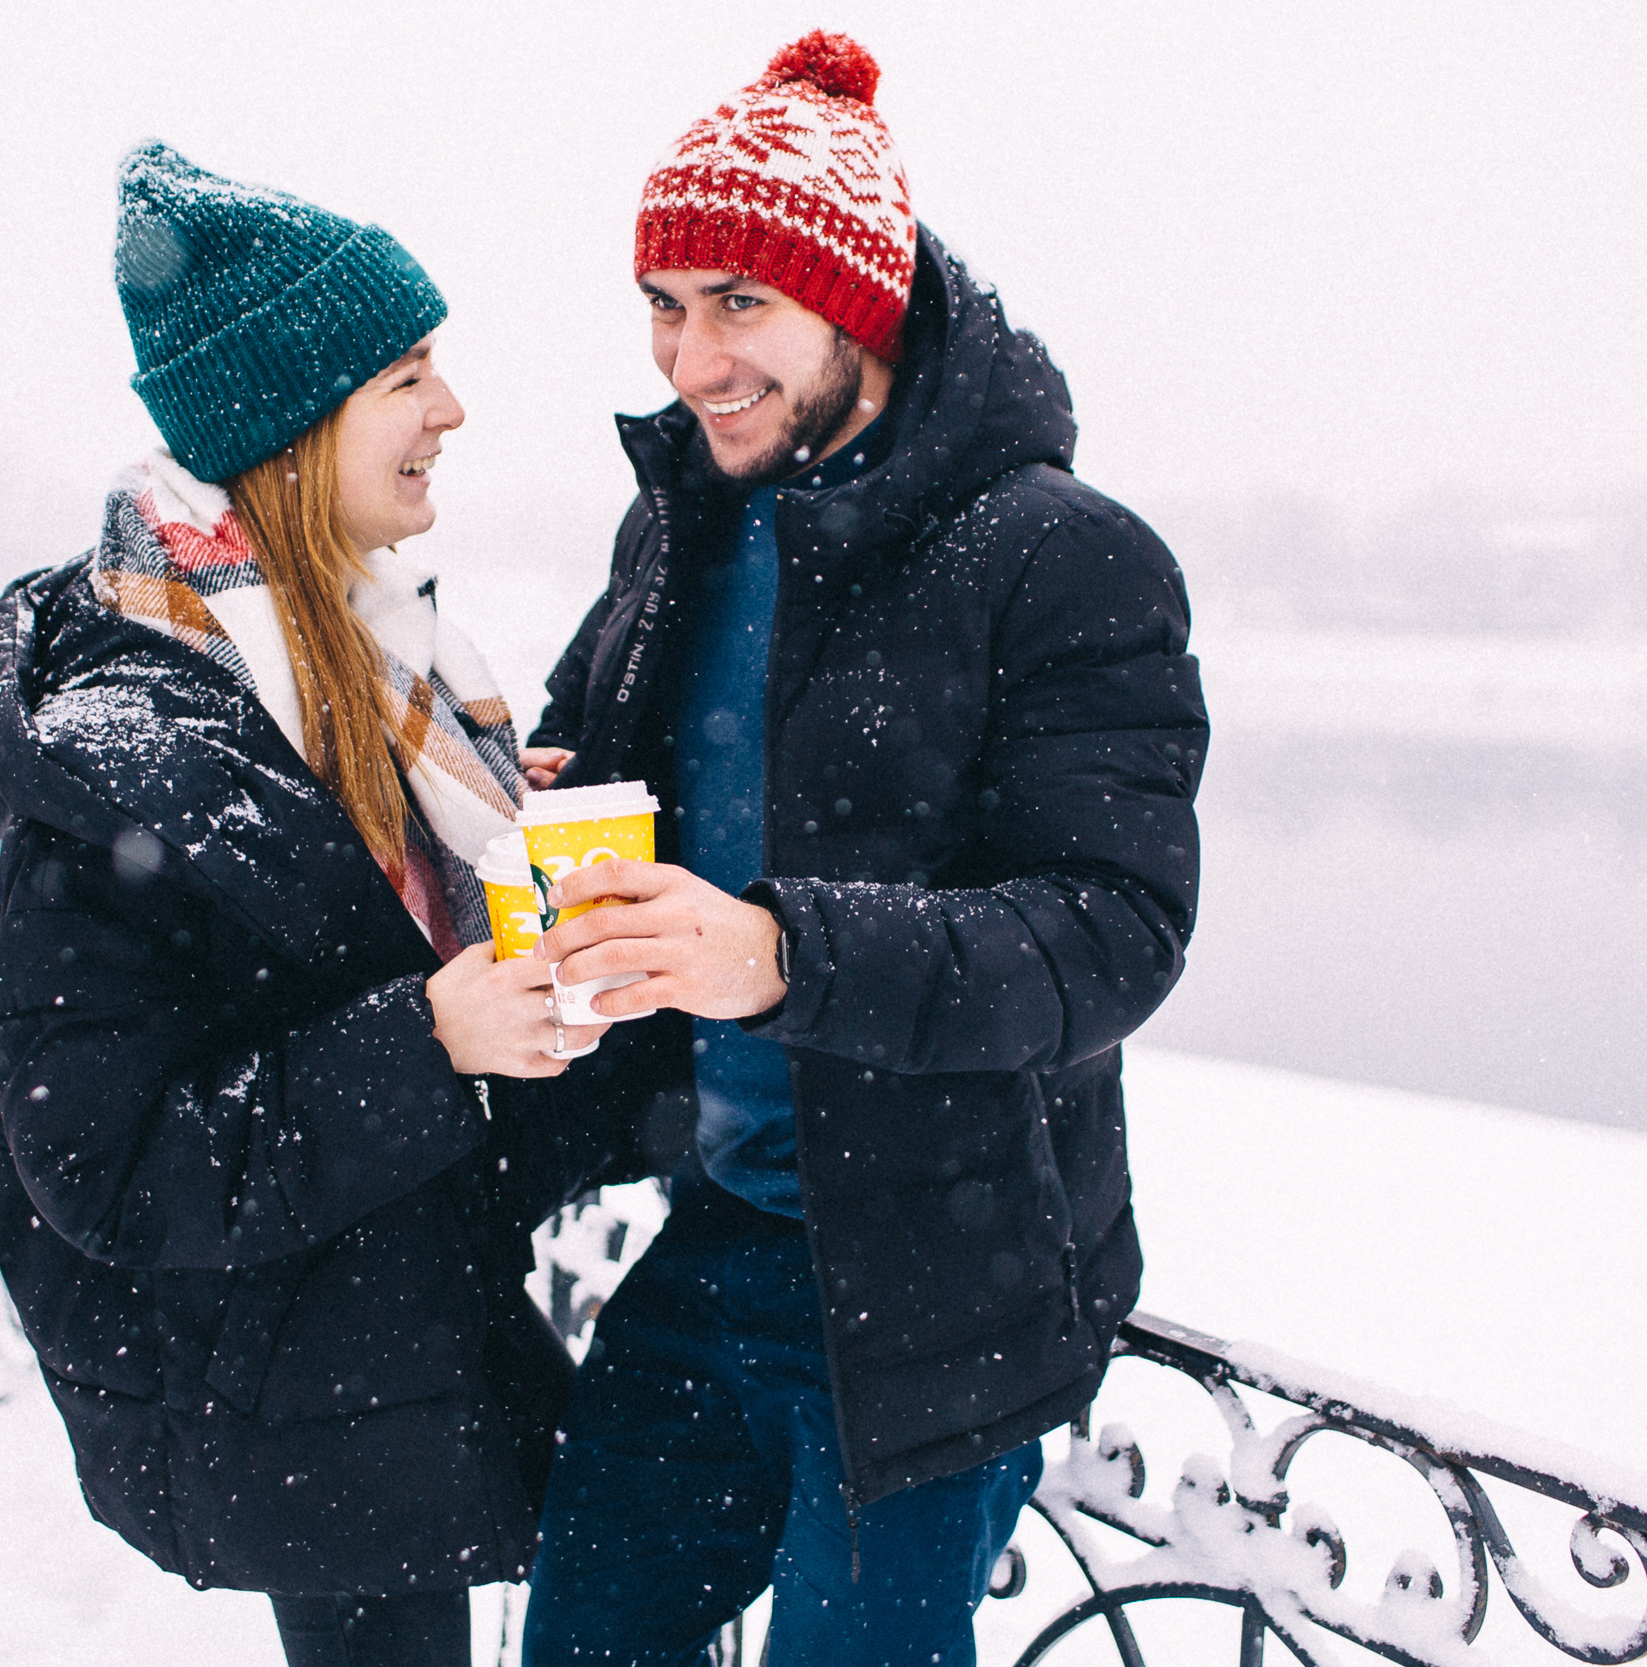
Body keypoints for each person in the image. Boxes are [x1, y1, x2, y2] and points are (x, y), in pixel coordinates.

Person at [515, 32, 1210, 1667]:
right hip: (721, 1228)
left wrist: (784, 950)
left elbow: (1112, 929)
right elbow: (599, 756)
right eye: (665, 305)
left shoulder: (1060, 558)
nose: (691, 359)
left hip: (947, 1278)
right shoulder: (683, 516)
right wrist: (524, 787)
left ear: (864, 302)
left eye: (737, 302)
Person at [0, 142, 616, 1667]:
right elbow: (101, 1165)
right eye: (408, 374)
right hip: (297, 1397)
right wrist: (426, 1034)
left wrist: (468, 850)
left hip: (375, 1356)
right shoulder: (131, 740)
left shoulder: (370, 679)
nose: (451, 410)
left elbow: (316, 918)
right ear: (295, 424)